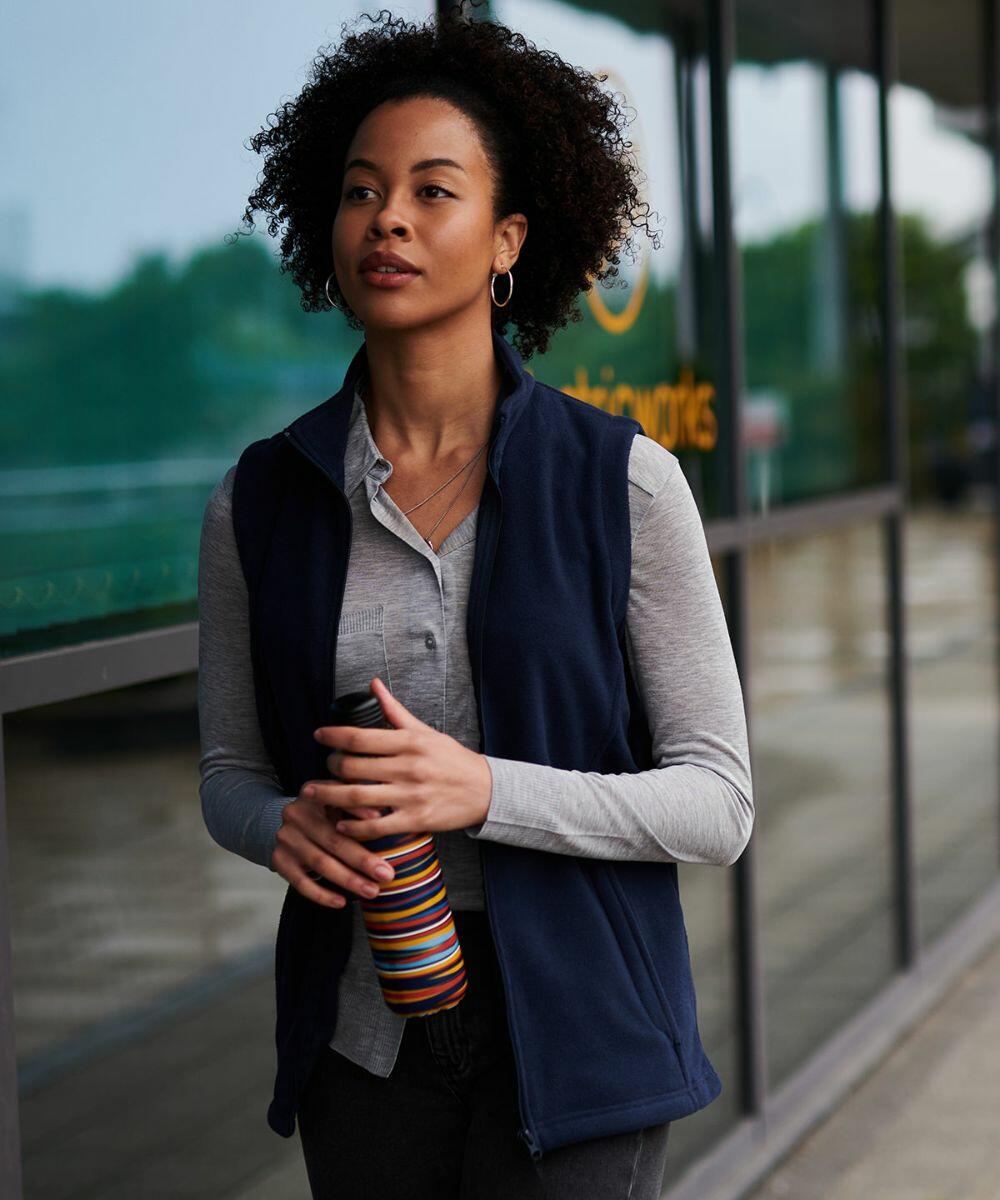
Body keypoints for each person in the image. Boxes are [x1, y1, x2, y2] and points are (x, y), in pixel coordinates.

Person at [197, 5, 754, 1198]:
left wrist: (481, 790)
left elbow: (717, 803)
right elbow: (229, 778)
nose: (386, 216)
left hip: (582, 1041)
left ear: (508, 239)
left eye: (431, 191)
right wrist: (278, 826)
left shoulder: (623, 483)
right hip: (366, 1041)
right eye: (360, 190)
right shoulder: (260, 501)